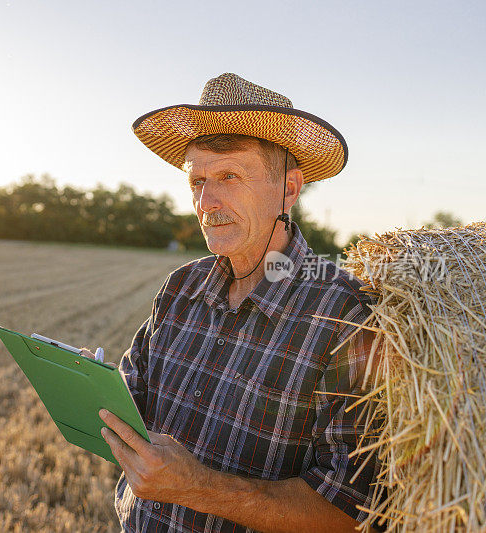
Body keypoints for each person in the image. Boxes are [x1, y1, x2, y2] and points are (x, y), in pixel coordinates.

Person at [82, 73, 379, 532]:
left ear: (289, 188)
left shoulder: (346, 318)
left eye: (229, 176)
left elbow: (350, 513)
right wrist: (91, 387)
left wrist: (196, 486)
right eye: (196, 180)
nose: (207, 201)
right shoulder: (181, 288)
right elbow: (135, 399)